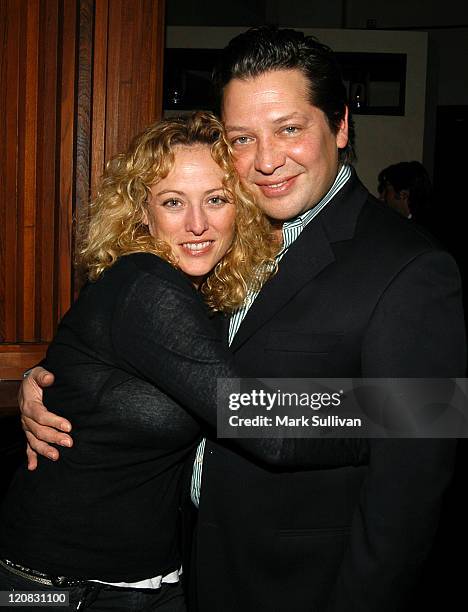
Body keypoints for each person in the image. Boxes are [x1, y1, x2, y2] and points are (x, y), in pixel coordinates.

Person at [19, 28, 466, 612]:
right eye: (242, 139)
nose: (267, 160)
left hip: (294, 584)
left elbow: (409, 487)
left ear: (341, 125)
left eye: (289, 128)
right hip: (132, 574)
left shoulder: (408, 267)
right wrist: (50, 379)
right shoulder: (215, 254)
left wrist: (415, 408)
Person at [1, 111, 367, 611]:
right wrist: (426, 407)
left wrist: (33, 378)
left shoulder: (203, 298)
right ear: (141, 215)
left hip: (146, 578)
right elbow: (258, 419)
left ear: (239, 206)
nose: (197, 224)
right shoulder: (146, 285)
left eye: (215, 199)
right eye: (173, 202)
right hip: (57, 587)